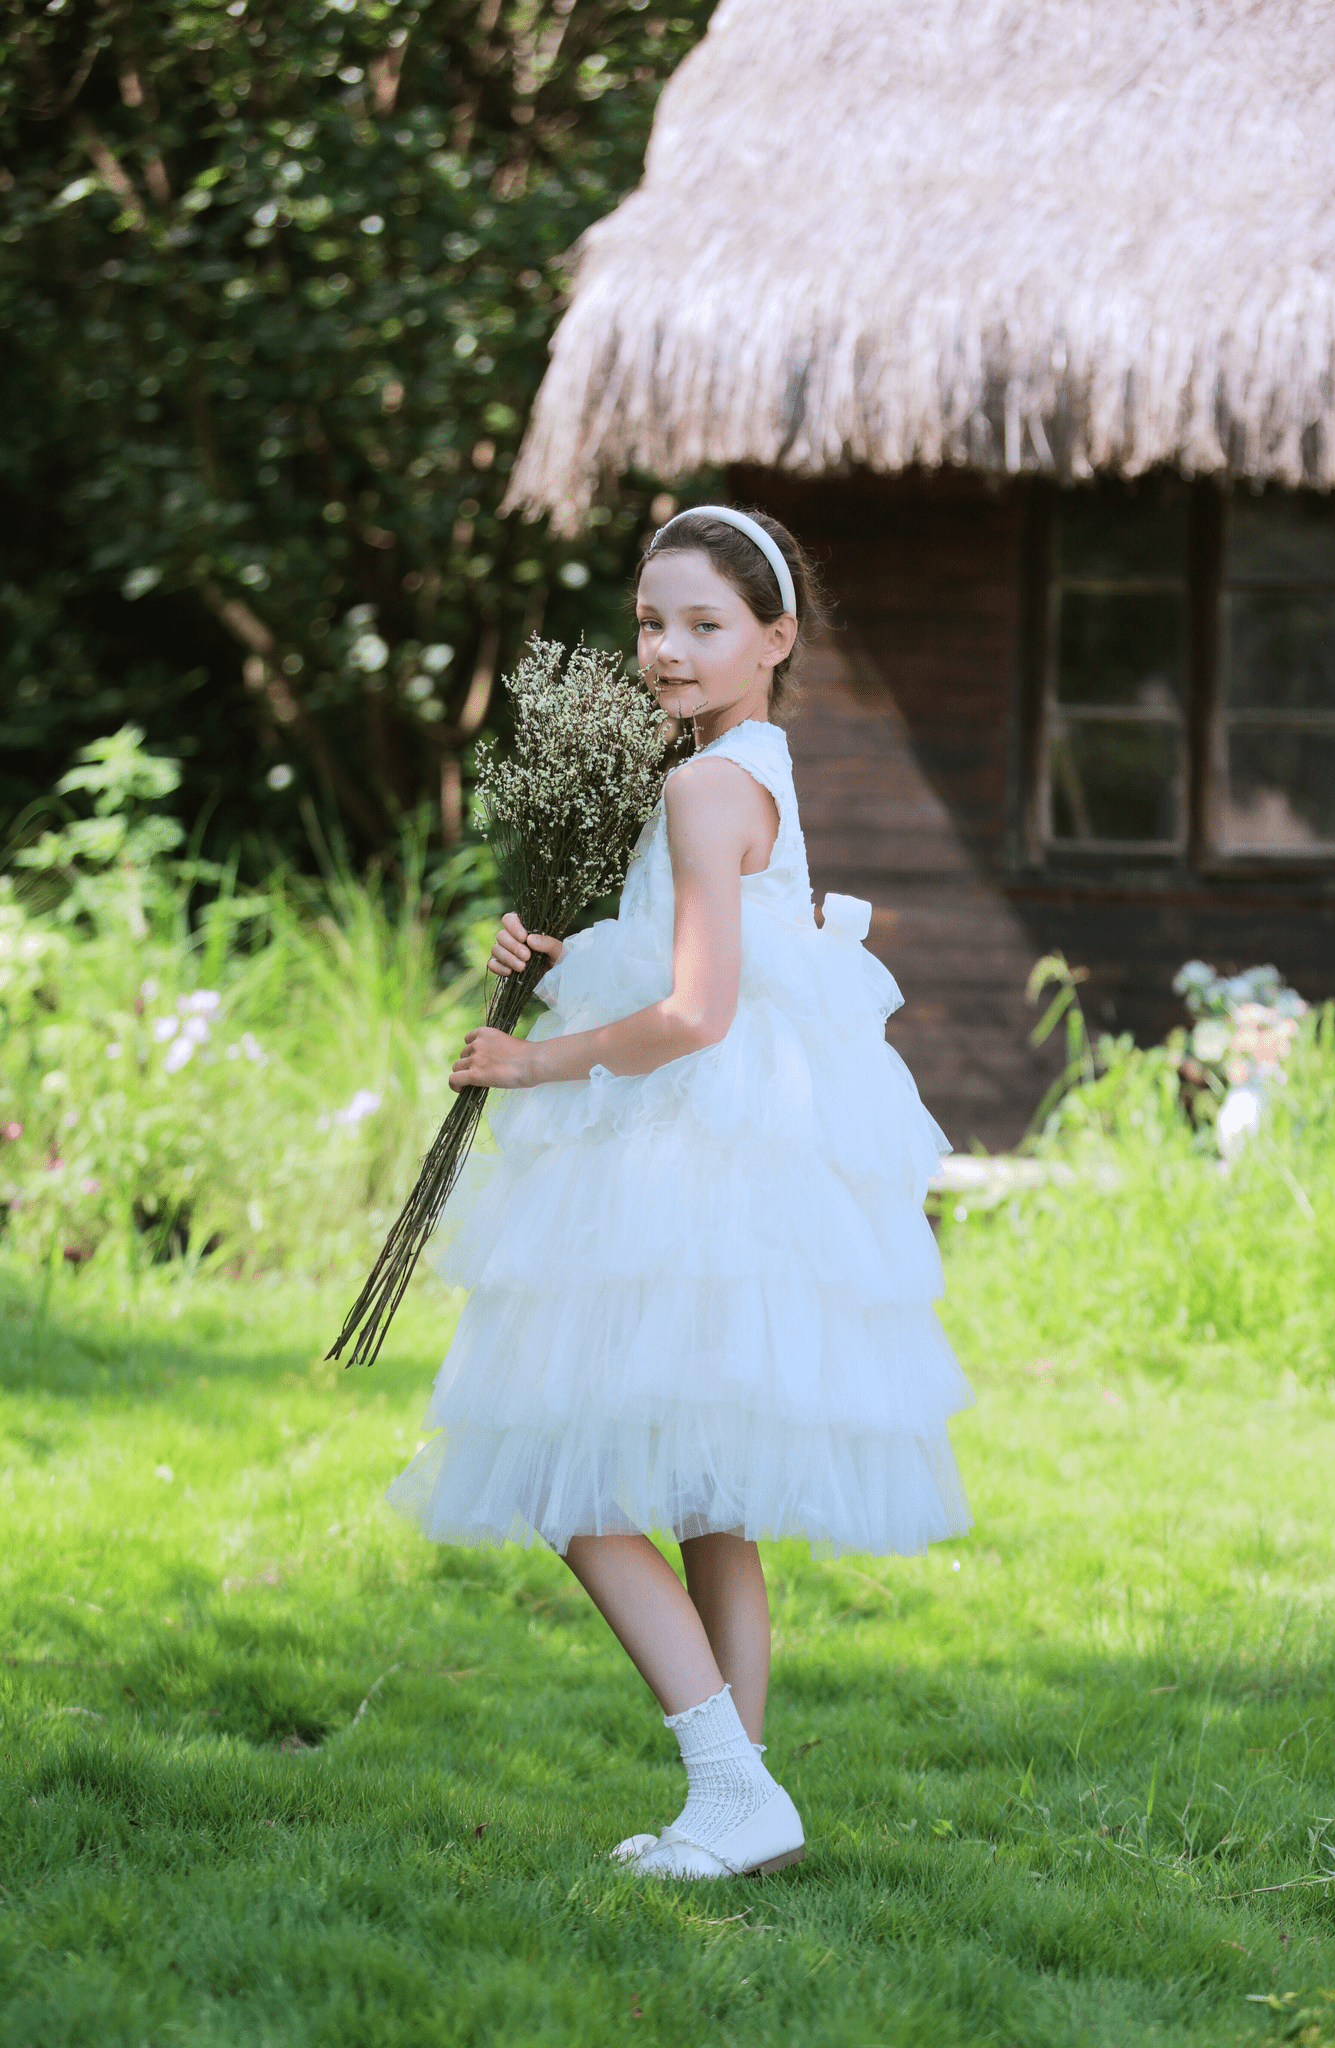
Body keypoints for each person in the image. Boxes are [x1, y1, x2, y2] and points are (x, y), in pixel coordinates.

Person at [388, 505, 974, 1879]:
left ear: (776, 638)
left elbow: (698, 1011)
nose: (666, 649)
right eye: (652, 622)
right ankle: (743, 1807)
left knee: (564, 1472)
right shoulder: (740, 767)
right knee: (714, 1499)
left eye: (704, 625)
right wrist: (566, 939)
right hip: (739, 1163)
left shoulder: (706, 786)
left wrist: (533, 1058)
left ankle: (726, 1778)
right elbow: (686, 947)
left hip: (692, 1155)